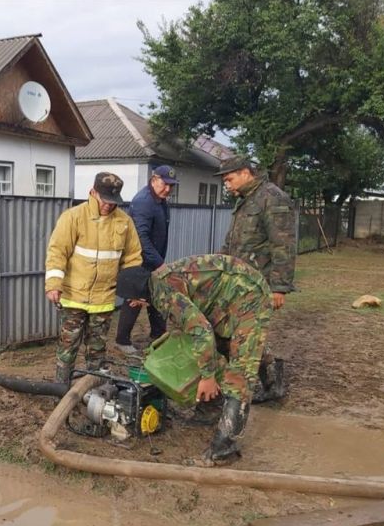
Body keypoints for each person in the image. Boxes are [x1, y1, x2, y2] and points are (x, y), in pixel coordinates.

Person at [115, 255, 272, 466]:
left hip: (247, 295)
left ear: (139, 297)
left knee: (240, 370)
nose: (132, 304)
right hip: (227, 294)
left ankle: (224, 450)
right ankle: (211, 408)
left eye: (131, 300)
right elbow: (191, 327)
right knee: (218, 346)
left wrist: (207, 377)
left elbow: (202, 331)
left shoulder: (165, 294)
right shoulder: (157, 281)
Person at [45, 172, 143, 385]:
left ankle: (94, 393)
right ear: (93, 192)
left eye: (112, 201)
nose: (108, 205)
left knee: (97, 353)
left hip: (103, 301)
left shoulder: (125, 223)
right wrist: (53, 284)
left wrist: (135, 291)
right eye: (104, 199)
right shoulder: (73, 217)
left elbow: (133, 258)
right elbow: (57, 252)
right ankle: (61, 392)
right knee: (67, 349)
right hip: (73, 298)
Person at [214, 155, 296, 402]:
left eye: (229, 179)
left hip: (257, 284)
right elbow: (233, 242)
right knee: (234, 333)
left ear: (245, 173)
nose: (226, 185)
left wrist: (278, 288)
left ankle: (262, 384)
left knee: (245, 335)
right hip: (237, 282)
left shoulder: (272, 197)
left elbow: (283, 245)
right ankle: (271, 381)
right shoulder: (246, 200)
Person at [114, 165, 177, 355]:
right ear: (154, 179)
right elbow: (141, 238)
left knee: (156, 296)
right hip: (139, 259)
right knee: (135, 298)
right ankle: (122, 340)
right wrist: (159, 263)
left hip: (153, 258)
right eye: (165, 184)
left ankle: (158, 336)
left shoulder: (160, 201)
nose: (168, 189)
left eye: (171, 186)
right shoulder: (144, 202)